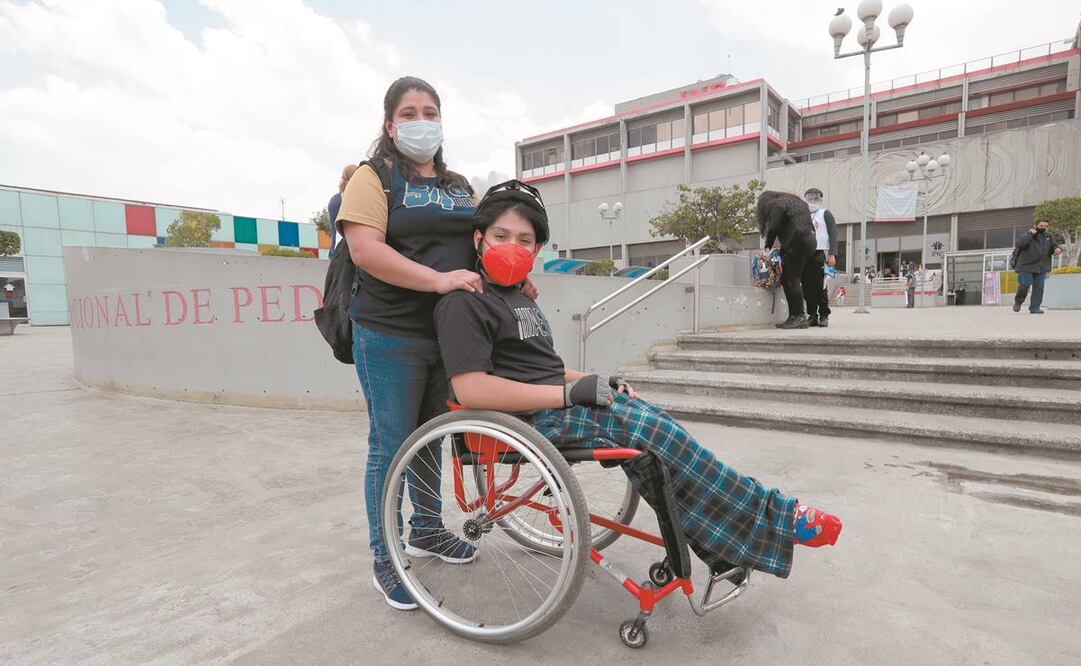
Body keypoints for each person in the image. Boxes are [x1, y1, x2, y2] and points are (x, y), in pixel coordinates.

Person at [434, 180, 842, 583]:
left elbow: (544, 368)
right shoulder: (464, 302)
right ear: (478, 239)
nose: (512, 246)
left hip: (548, 406)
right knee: (648, 433)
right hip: (521, 421)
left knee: (657, 427)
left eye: (524, 239)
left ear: (537, 249)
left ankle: (724, 545)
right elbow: (472, 389)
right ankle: (774, 516)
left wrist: (596, 381)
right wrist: (566, 395)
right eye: (500, 235)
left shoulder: (522, 297)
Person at [335, 76, 538, 611]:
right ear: (390, 123)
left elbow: (482, 245)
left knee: (433, 436)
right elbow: (366, 252)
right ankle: (387, 556)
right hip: (388, 330)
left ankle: (427, 528)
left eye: (430, 111)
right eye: (410, 112)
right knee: (391, 443)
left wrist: (512, 277)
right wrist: (438, 280)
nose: (421, 121)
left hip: (448, 332)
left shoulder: (458, 185)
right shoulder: (372, 178)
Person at [756, 191, 817, 329]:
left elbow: (775, 226)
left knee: (792, 279)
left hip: (797, 241)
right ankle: (794, 316)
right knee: (787, 278)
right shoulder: (797, 203)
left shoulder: (779, 204)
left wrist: (767, 246)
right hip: (808, 241)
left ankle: (799, 316)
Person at [802, 188, 837, 327]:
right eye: (810, 198)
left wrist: (832, 254)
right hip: (805, 253)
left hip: (820, 252)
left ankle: (823, 314)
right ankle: (812, 315)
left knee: (820, 286)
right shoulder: (803, 215)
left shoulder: (825, 214)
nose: (812, 201)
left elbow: (833, 234)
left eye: (815, 198)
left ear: (820, 200)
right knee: (806, 286)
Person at [1012, 217, 1062, 314]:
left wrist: (1057, 249)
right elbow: (1019, 244)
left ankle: (1035, 307)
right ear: (1035, 225)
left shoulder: (1048, 236)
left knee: (1039, 288)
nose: (1043, 228)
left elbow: (1054, 246)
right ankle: (1018, 302)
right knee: (1024, 285)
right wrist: (1030, 234)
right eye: (1041, 226)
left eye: (1045, 226)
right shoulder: (1028, 235)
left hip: (1041, 267)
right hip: (1026, 266)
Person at [327, 164, 358, 258]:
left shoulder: (335, 200)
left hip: (336, 251)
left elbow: (333, 227)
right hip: (352, 251)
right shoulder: (358, 198)